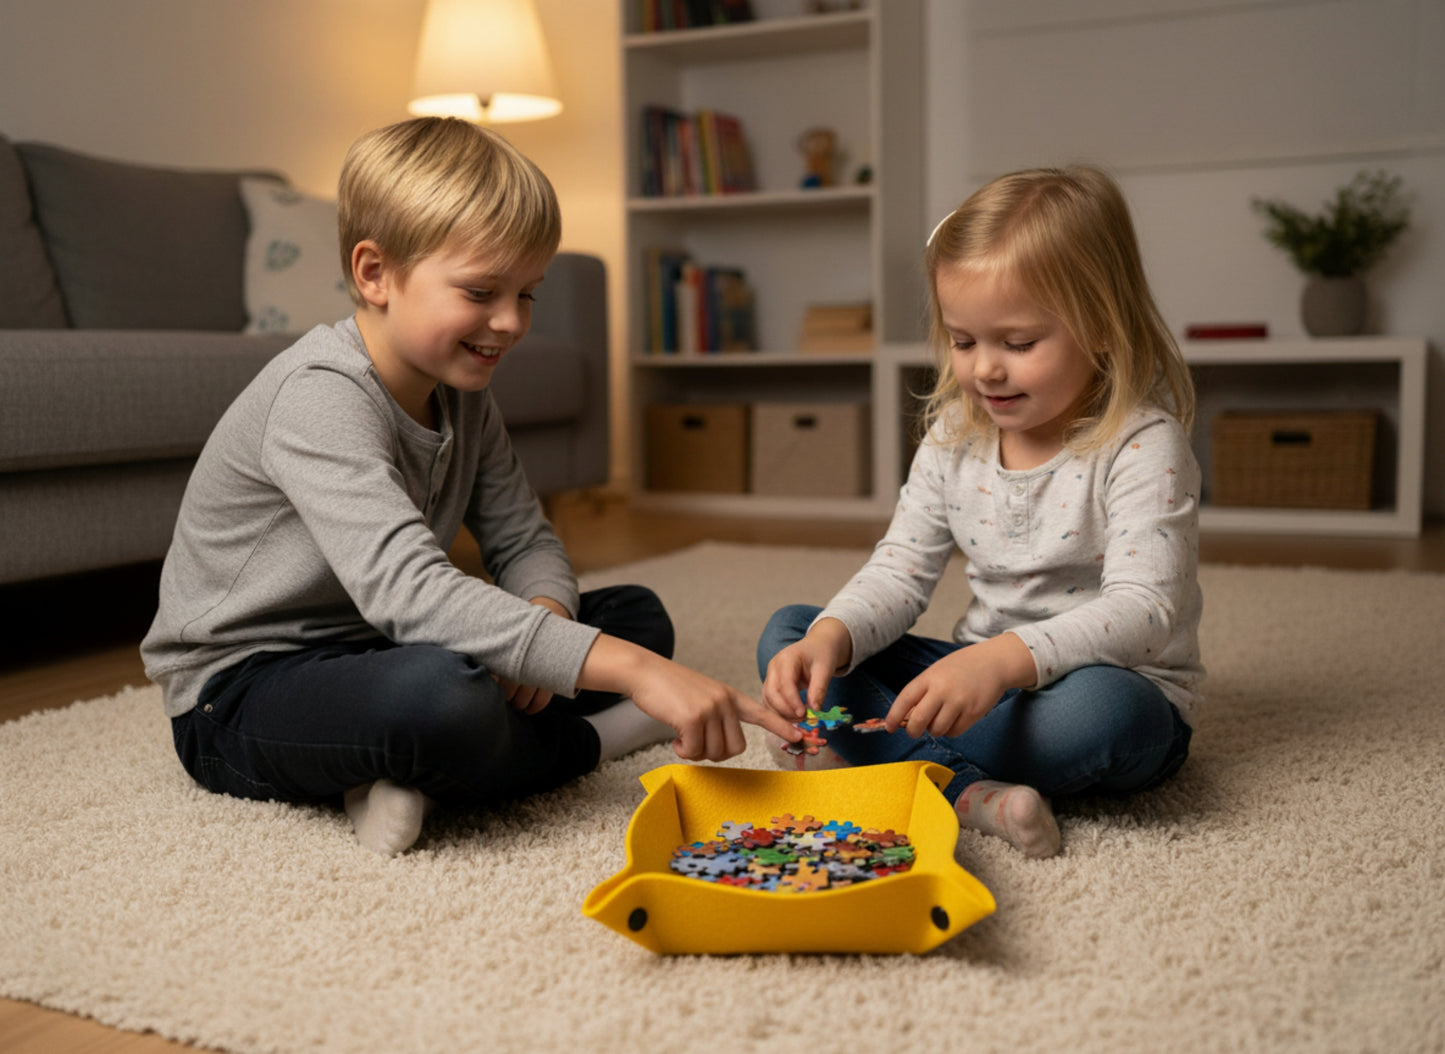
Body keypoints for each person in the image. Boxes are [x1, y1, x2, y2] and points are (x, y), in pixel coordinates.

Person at [142, 117, 799, 856]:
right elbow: (410, 593)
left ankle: (407, 774)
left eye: (528, 294)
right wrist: (631, 675)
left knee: (632, 615)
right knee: (442, 698)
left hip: (377, 644)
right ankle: (592, 742)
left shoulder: (463, 392)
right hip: (239, 689)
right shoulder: (317, 395)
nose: (510, 322)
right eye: (482, 290)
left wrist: (544, 611)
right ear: (374, 274)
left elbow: (522, 536)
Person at [757, 165, 1203, 859]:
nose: (985, 370)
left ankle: (888, 761)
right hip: (974, 679)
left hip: (1098, 684)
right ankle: (965, 792)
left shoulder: (1142, 444)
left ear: (1103, 328)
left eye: (1017, 344)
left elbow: (1145, 612)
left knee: (1113, 718)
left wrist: (999, 663)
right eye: (963, 342)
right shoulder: (952, 436)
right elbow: (900, 570)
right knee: (793, 635)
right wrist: (830, 639)